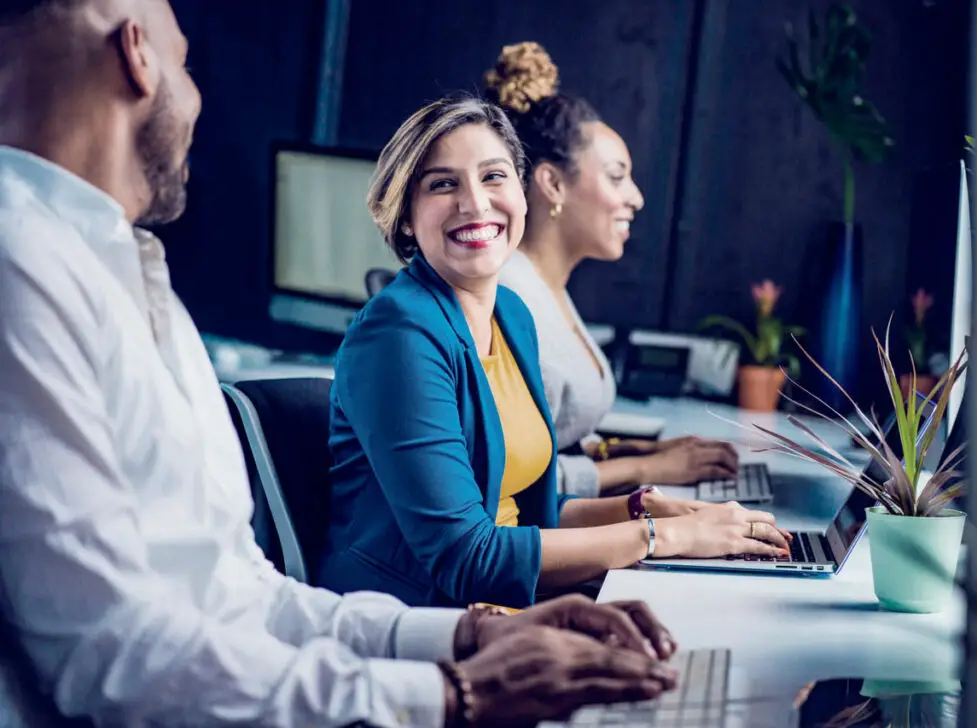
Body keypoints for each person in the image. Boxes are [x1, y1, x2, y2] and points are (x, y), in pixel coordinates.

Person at [0, 2, 682, 726]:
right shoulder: (24, 265)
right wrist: (455, 692)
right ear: (138, 56)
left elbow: (242, 597)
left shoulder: (119, 267)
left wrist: (471, 636)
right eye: (186, 63)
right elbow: (117, 657)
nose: (196, 98)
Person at [320, 94, 792, 610]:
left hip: (503, 604)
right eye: (443, 184)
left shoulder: (513, 316)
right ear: (407, 217)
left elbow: (528, 516)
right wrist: (665, 537)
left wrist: (648, 510)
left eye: (494, 176)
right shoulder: (398, 334)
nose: (475, 203)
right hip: (417, 620)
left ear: (523, 195)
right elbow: (466, 557)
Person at [488, 41, 742, 499]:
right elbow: (509, 482)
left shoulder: (548, 288)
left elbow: (553, 438)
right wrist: (647, 469)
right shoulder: (510, 299)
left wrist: (634, 451)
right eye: (616, 176)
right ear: (552, 183)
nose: (636, 197)